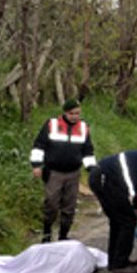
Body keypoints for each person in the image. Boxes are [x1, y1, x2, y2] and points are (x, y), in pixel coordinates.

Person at [30, 98, 96, 242]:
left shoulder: (83, 127)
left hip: (73, 173)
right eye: (71, 113)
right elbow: (39, 146)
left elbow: (87, 151)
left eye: (77, 113)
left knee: (69, 207)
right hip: (54, 173)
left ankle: (63, 236)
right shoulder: (52, 124)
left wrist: (92, 169)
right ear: (65, 112)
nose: (74, 116)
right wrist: (36, 165)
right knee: (51, 204)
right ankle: (47, 234)